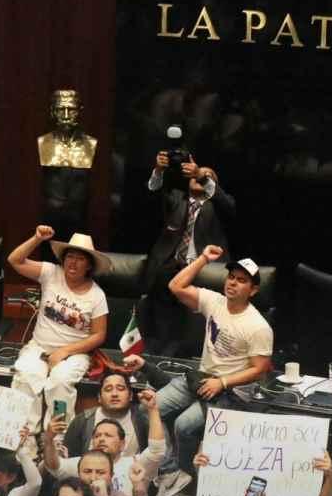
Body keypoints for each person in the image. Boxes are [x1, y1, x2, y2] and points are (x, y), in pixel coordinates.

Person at [156, 245, 272, 476]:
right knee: (148, 408)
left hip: (233, 392)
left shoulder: (258, 326)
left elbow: (260, 370)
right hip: (201, 379)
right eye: (231, 277)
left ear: (253, 290)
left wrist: (223, 382)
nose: (232, 283)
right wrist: (203, 259)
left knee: (184, 425)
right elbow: (175, 286)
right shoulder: (214, 301)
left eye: (241, 280)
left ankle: (187, 474)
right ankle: (168, 467)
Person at [7, 224, 110, 430]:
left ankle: (57, 442)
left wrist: (65, 351)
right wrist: (37, 238)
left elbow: (99, 335)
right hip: (39, 347)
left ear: (89, 265)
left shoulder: (97, 295)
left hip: (74, 354)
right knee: (26, 377)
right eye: (70, 256)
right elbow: (14, 261)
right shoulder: (50, 272)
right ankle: (23, 444)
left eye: (80, 259)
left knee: (60, 383)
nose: (73, 262)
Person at [144, 150, 234, 352]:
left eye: (207, 176)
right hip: (171, 265)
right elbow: (153, 194)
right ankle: (158, 349)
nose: (199, 177)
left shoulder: (219, 207)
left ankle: (186, 351)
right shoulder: (176, 199)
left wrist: (202, 176)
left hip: (204, 268)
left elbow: (228, 204)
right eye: (195, 175)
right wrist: (159, 170)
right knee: (161, 291)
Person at [44, 387, 166, 496]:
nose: (101, 439)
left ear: (122, 444)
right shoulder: (83, 463)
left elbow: (157, 450)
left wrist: (153, 409)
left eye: (108, 435)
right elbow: (55, 467)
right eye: (97, 436)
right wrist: (49, 440)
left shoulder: (134, 464)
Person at [65, 371, 156, 457]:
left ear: (131, 396)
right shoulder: (83, 420)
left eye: (120, 389)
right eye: (108, 389)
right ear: (99, 397)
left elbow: (158, 459)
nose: (114, 394)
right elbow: (69, 459)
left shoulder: (143, 421)